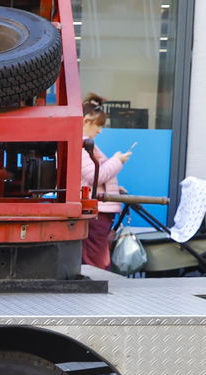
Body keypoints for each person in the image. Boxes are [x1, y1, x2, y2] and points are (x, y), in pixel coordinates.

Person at [80, 93, 128, 270]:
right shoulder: (81, 146)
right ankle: (101, 289)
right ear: (86, 121)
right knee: (97, 257)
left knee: (93, 253)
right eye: (98, 125)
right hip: (96, 209)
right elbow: (95, 176)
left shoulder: (83, 145)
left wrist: (115, 188)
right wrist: (118, 161)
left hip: (96, 207)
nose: (100, 130)